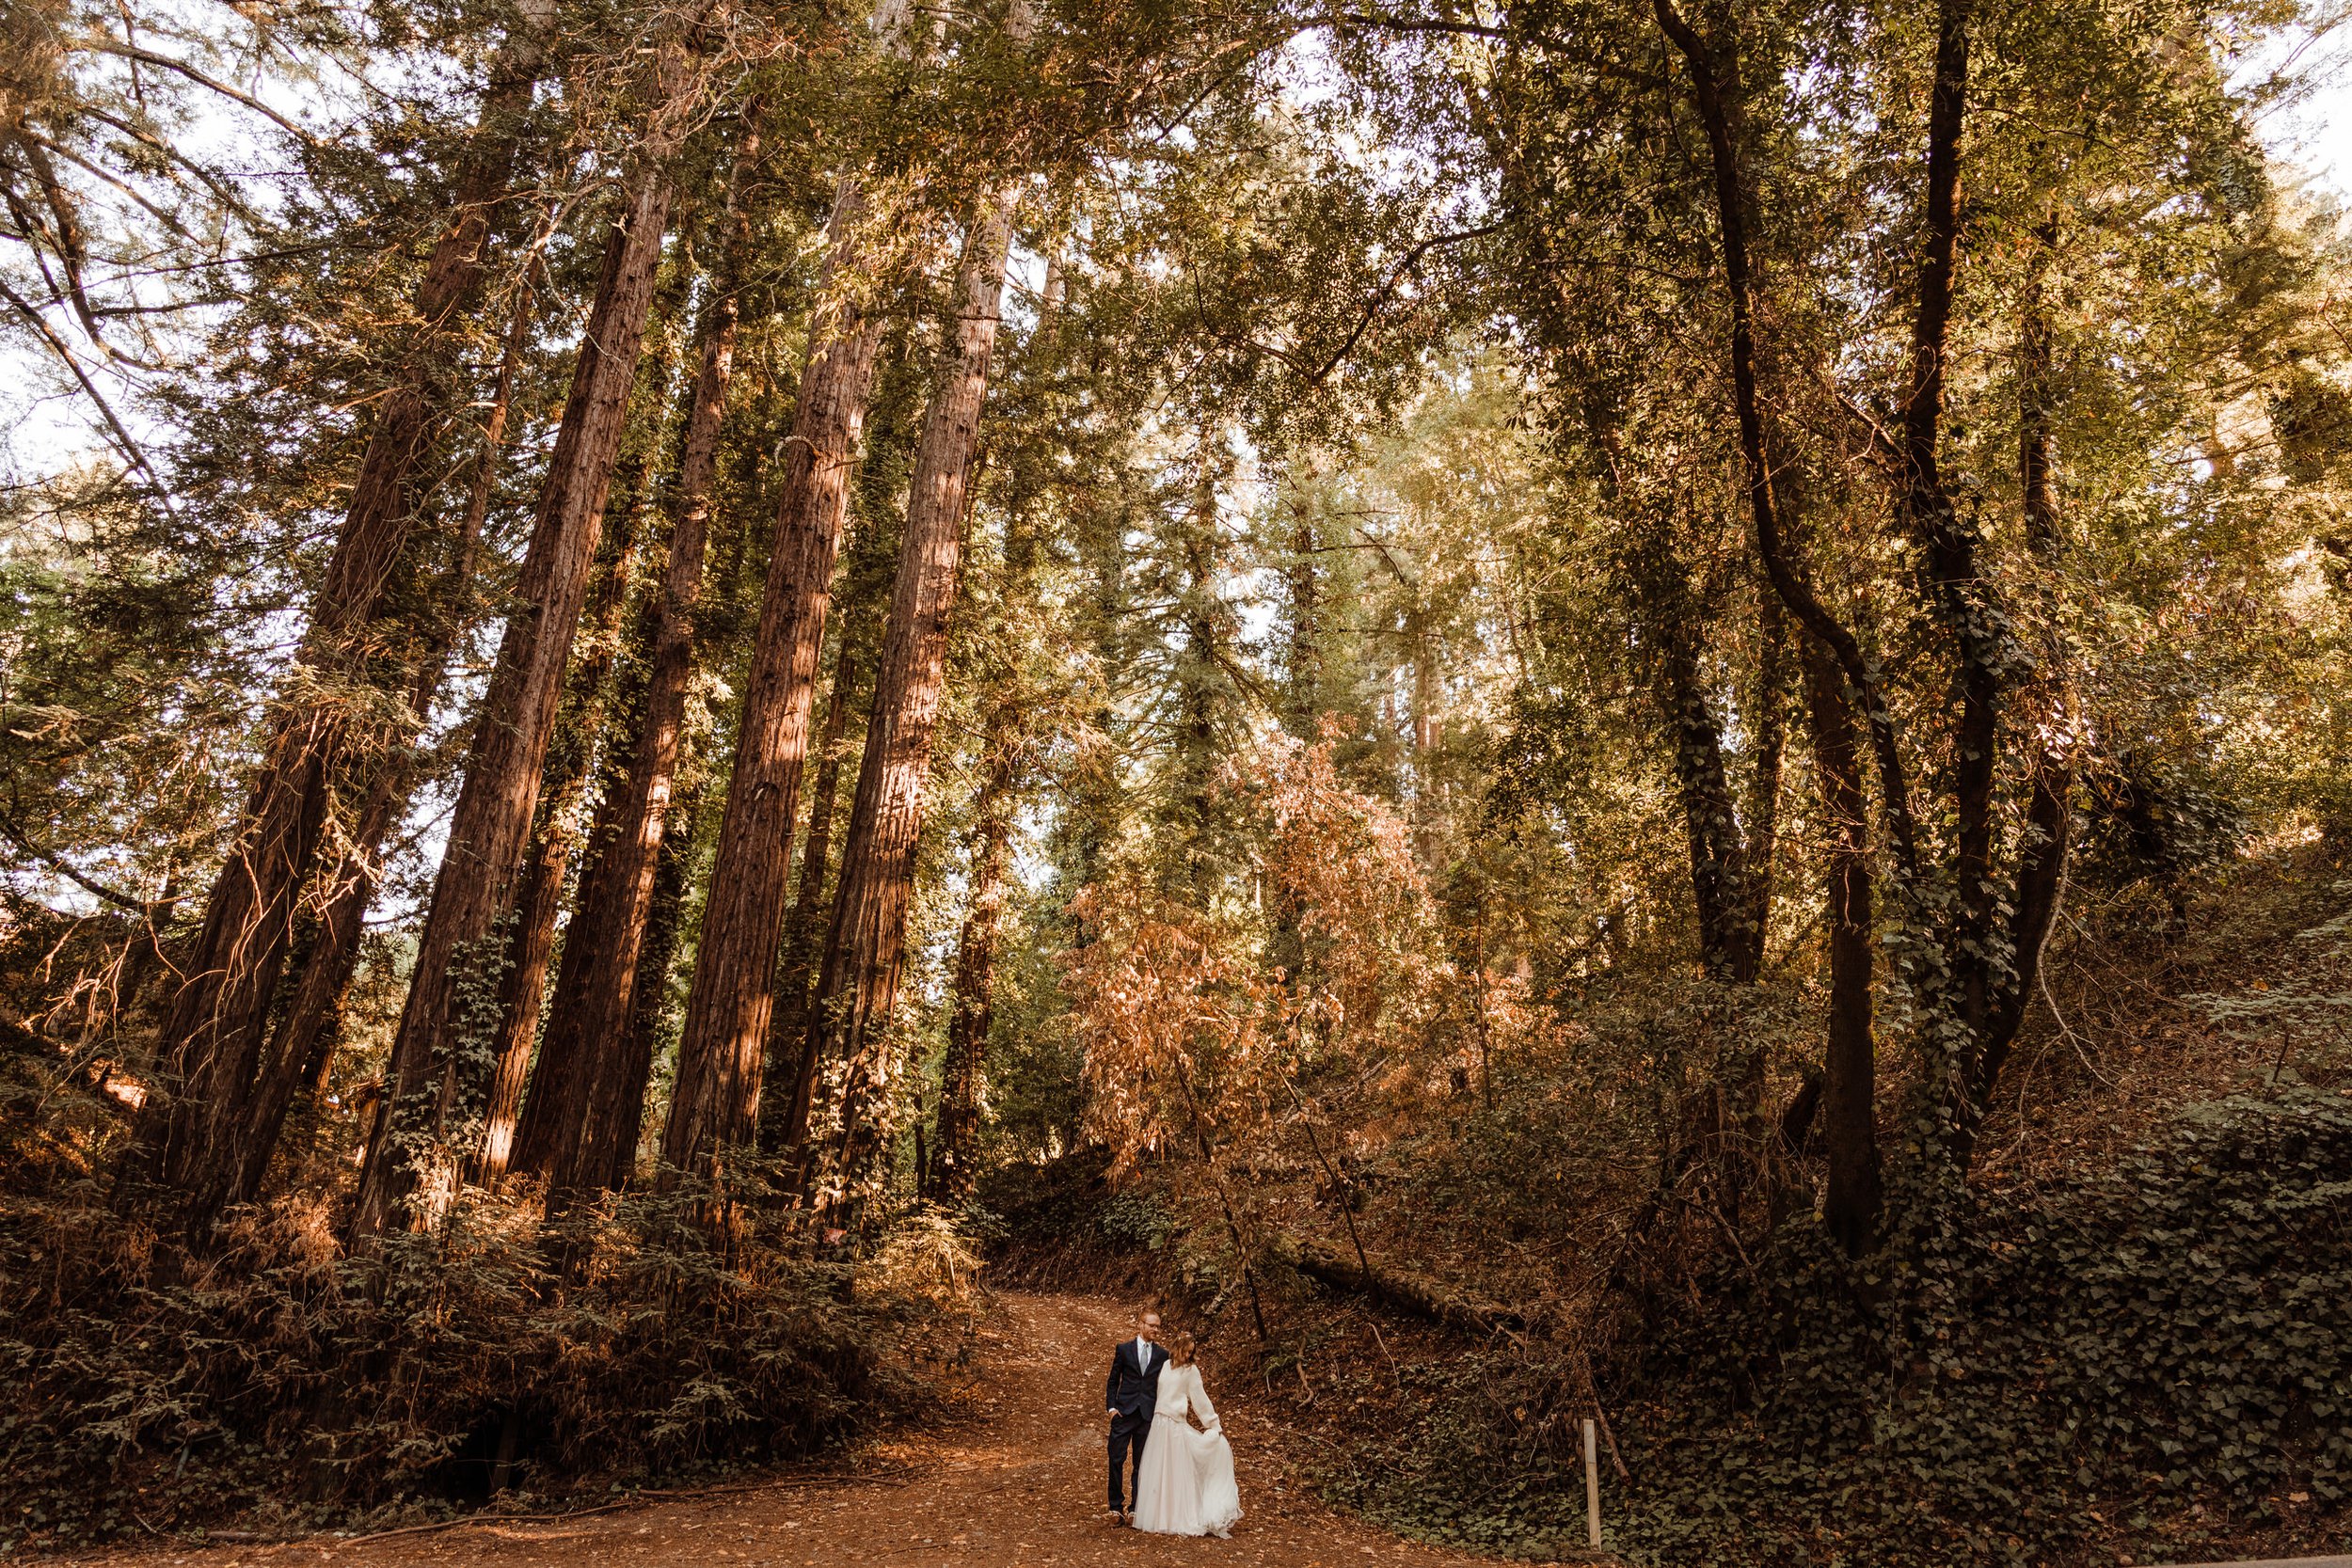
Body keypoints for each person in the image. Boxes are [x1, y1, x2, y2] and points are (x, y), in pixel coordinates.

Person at [1129, 1330, 1242, 1538]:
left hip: (1175, 1425)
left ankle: (1178, 1516)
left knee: (1176, 1472)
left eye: (1192, 1353)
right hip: (1159, 1424)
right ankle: (1160, 1517)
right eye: (1187, 1352)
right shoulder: (1165, 1365)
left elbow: (1200, 1398)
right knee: (1159, 1471)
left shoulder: (1192, 1371)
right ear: (1178, 1349)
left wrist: (1212, 1424)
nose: (1189, 1356)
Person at [1104, 1307, 1167, 1525]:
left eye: (1158, 1326)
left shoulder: (1162, 1355)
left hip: (1147, 1416)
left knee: (1142, 1464)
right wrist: (1111, 1409)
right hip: (1123, 1413)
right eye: (1151, 1325)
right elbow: (1113, 1381)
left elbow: (1164, 1386)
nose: (1155, 1330)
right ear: (1140, 1325)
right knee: (1116, 1459)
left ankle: (1136, 1509)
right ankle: (1115, 1508)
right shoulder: (1124, 1350)